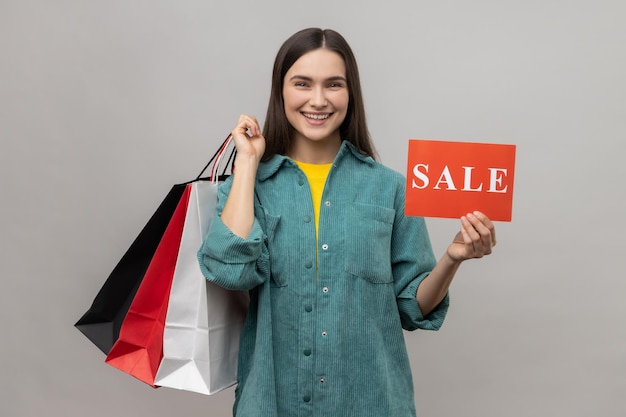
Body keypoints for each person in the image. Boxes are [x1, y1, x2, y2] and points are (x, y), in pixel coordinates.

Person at [198, 28, 496, 417]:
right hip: (271, 403)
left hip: (371, 403)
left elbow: (413, 309)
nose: (318, 100)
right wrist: (249, 163)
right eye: (302, 83)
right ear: (281, 91)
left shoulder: (389, 187)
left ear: (350, 93)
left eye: (333, 85)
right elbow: (231, 272)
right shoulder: (249, 184)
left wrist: (453, 258)